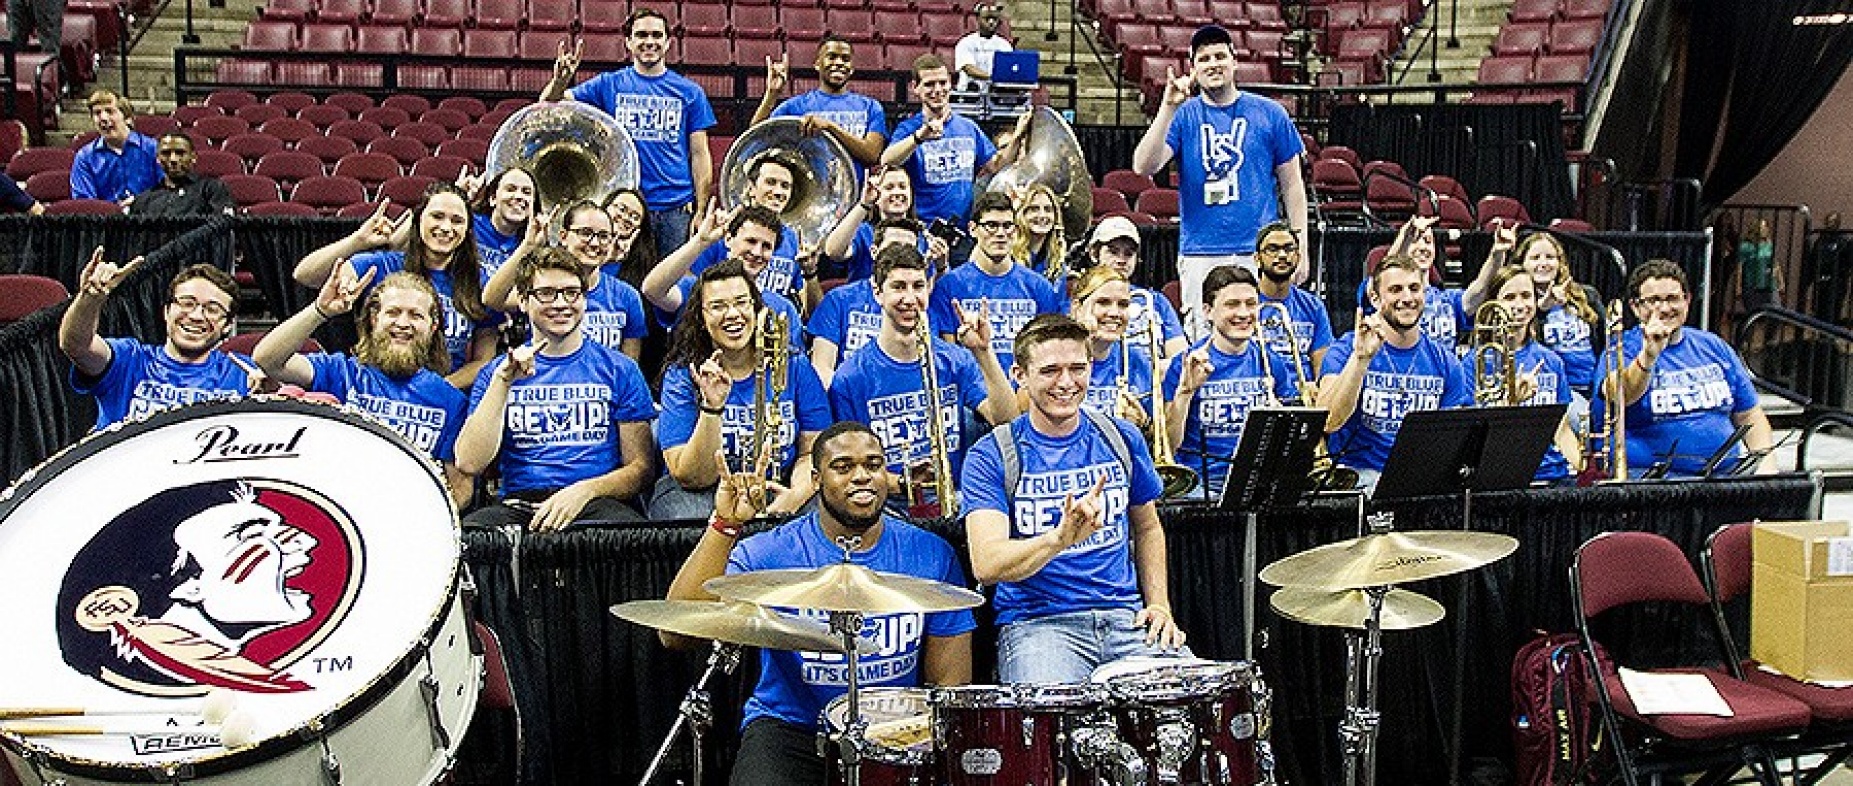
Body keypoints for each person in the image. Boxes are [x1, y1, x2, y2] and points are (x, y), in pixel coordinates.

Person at [663, 421, 975, 786]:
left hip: (895, 731)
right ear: (815, 480)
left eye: (873, 465)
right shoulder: (769, 553)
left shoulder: (931, 555)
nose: (861, 477)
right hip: (791, 729)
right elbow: (674, 634)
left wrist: (917, 743)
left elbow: (949, 684)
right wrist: (725, 524)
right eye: (843, 467)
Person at [962, 314, 1187, 683]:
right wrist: (1059, 539)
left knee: (1194, 707)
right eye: (1050, 370)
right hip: (1038, 625)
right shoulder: (992, 455)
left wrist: (1159, 603)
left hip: (1126, 618)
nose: (1065, 382)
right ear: (1020, 375)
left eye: (1077, 368)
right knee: (1055, 727)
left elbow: (1147, 528)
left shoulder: (1122, 437)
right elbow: (987, 564)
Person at [456, 250, 657, 529]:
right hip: (519, 504)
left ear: (585, 300)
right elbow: (469, 462)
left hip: (596, 502)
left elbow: (640, 469)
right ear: (524, 302)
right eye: (547, 293)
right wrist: (502, 384)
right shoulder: (497, 372)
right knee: (474, 539)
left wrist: (584, 491)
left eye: (572, 293)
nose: (561, 303)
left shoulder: (620, 369)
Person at [1130, 25, 1308, 337]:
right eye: (1204, 58)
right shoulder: (1183, 115)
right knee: (1204, 343)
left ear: (1234, 62)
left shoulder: (1270, 113)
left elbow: (1293, 185)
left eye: (1220, 56)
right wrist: (1167, 107)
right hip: (1201, 250)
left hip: (1259, 250)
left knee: (1260, 341)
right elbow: (1143, 165)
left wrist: (1301, 247)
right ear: (1193, 68)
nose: (1213, 64)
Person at [252, 269, 473, 506]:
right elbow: (268, 359)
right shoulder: (339, 373)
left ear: (433, 326)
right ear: (374, 318)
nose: (403, 323)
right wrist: (320, 311)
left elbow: (459, 488)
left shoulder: (450, 400)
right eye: (393, 312)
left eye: (416, 315)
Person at [829, 245, 1017, 517]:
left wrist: (983, 353)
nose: (910, 298)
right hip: (889, 508)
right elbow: (849, 468)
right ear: (877, 292)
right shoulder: (850, 377)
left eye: (918, 286)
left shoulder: (956, 360)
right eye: (898, 287)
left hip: (956, 500)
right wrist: (904, 483)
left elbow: (1006, 419)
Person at [651, 260, 832, 521]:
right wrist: (712, 409)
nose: (733, 314)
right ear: (701, 318)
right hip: (704, 492)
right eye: (718, 307)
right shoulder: (682, 375)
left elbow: (811, 451)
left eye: (741, 303)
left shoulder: (794, 366)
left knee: (821, 515)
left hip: (779, 482)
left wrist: (795, 496)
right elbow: (690, 476)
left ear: (756, 309)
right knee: (686, 518)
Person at [540, 9, 717, 257]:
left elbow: (700, 155)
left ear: (668, 43)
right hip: (622, 207)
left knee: (669, 290)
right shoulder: (608, 84)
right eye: (641, 35)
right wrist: (560, 80)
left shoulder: (690, 92)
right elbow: (547, 105)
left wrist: (700, 210)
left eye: (657, 35)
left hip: (674, 209)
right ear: (629, 42)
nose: (649, 42)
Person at [295, 187, 500, 389]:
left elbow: (483, 360)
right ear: (418, 220)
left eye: (457, 221)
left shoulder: (480, 283)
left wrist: (438, 391)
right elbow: (305, 275)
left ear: (468, 230)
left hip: (441, 399)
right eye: (437, 216)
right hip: (374, 391)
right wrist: (357, 241)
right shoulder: (384, 266)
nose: (446, 227)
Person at [1592, 259, 1774, 478]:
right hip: (1650, 479)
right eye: (1653, 301)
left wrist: (1766, 466)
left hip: (1724, 475)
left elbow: (1749, 414)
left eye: (1672, 298)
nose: (1665, 308)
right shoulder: (1620, 349)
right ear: (1635, 307)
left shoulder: (1713, 346)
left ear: (1687, 301)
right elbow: (1620, 396)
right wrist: (1649, 356)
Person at [1317, 254, 1473, 488]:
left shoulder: (1446, 362)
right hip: (1357, 476)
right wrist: (1360, 360)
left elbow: (1449, 443)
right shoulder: (1344, 350)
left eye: (1414, 288)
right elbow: (1329, 422)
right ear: (1375, 297)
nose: (1407, 298)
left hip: (1417, 479)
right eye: (1396, 290)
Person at [59, 254, 251, 430]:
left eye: (212, 309)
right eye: (187, 303)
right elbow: (76, 345)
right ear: (167, 311)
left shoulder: (243, 373)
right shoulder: (129, 360)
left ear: (227, 325)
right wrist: (91, 297)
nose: (196, 316)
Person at [1164, 265, 1298, 498]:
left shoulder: (1271, 361)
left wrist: (1282, 423)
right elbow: (1170, 445)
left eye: (1251, 304)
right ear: (1207, 311)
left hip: (1257, 478)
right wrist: (1185, 392)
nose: (1244, 314)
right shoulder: (1185, 363)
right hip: (1201, 482)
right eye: (1232, 304)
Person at [484, 201, 648, 360]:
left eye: (604, 236)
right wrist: (528, 246)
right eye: (585, 233)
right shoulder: (543, 288)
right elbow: (492, 299)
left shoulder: (627, 296)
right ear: (563, 236)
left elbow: (629, 365)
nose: (595, 243)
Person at [881, 54, 1026, 227]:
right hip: (923, 230)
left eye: (942, 83)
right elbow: (887, 160)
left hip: (963, 231)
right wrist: (919, 137)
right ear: (915, 88)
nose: (937, 90)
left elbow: (995, 165)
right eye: (929, 84)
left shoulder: (968, 127)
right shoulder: (908, 128)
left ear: (951, 83)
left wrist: (1018, 136)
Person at [929, 191, 1063, 375]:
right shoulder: (949, 286)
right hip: (973, 398)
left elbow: (1048, 353)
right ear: (973, 229)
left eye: (1007, 226)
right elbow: (949, 356)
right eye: (991, 225)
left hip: (1025, 394)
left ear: (1015, 231)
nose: (1000, 233)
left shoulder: (1040, 288)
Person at [642, 204, 805, 348]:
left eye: (766, 246)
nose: (757, 252)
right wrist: (700, 242)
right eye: (751, 241)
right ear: (728, 239)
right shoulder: (696, 289)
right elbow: (652, 290)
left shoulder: (783, 309)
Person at [809, 217, 947, 387]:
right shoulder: (838, 300)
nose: (900, 254)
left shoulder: (918, 308)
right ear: (874, 252)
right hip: (848, 399)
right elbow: (822, 369)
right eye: (893, 246)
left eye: (909, 248)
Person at [1477, 264, 1582, 483]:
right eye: (1509, 297)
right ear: (1493, 303)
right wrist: (1512, 401)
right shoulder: (1473, 364)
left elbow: (1561, 427)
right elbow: (1477, 433)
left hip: (1554, 476)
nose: (1519, 305)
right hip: (1503, 477)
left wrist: (1580, 467)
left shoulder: (1551, 361)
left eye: (1526, 296)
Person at [687, 155, 815, 307]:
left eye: (785, 186)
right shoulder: (723, 230)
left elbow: (806, 307)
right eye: (771, 182)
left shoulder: (793, 239)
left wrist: (810, 273)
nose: (778, 192)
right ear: (751, 188)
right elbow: (690, 287)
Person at [750, 36, 888, 173]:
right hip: (809, 192)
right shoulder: (796, 106)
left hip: (857, 192)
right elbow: (755, 138)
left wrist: (830, 127)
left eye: (845, 59)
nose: (839, 63)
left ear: (852, 68)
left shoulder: (871, 107)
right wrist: (771, 94)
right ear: (817, 64)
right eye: (832, 57)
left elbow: (872, 154)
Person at [1087, 215, 1186, 360]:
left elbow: (1178, 356)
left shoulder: (1157, 301)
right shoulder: (1082, 297)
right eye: (1113, 252)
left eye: (1129, 253)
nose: (1121, 260)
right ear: (1094, 254)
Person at [1361, 216, 1465, 354]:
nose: (1423, 247)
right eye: (1415, 241)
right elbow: (1379, 280)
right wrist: (1405, 237)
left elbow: (1480, 291)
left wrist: (1496, 254)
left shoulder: (1449, 298)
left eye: (1428, 242)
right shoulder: (1383, 294)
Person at [1067, 265, 1153, 427]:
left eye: (1123, 304)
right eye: (1103, 302)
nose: (1114, 313)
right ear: (1077, 308)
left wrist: (1143, 424)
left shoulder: (1136, 359)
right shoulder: (1054, 354)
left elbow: (1158, 434)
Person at [1251, 221, 1332, 386]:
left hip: (1304, 397)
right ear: (1257, 259)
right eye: (1273, 249)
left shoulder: (1313, 307)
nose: (1282, 255)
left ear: (1298, 257)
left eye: (1289, 249)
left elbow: (1323, 366)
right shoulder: (1244, 306)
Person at [821, 166, 932, 283]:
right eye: (889, 188)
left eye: (903, 187)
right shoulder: (863, 232)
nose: (897, 192)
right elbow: (833, 251)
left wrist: (941, 267)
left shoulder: (923, 235)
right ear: (876, 194)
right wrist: (864, 204)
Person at [71, 91, 162, 205]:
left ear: (127, 118)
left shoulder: (153, 148)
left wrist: (139, 202)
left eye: (109, 111)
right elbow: (85, 204)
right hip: (106, 220)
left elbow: (166, 192)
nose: (103, 118)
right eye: (97, 113)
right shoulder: (85, 157)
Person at [128, 133, 234, 217]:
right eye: (166, 153)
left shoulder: (212, 190)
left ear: (193, 157)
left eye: (180, 153)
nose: (173, 159)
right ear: (157, 159)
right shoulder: (143, 200)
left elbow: (223, 229)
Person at [466, 166, 537, 275]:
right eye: (510, 189)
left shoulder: (533, 244)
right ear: (493, 198)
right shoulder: (468, 224)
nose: (519, 196)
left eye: (526, 192)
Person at [1010, 183, 1066, 280]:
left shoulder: (1057, 261)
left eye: (1048, 209)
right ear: (1021, 214)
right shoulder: (1006, 256)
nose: (1042, 215)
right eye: (1034, 209)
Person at [953, 3, 1012, 92]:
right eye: (987, 19)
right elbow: (968, 68)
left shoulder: (1004, 45)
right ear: (978, 19)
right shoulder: (965, 42)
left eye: (995, 19)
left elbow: (1008, 69)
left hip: (995, 94)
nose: (991, 22)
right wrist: (994, 77)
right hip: (970, 93)